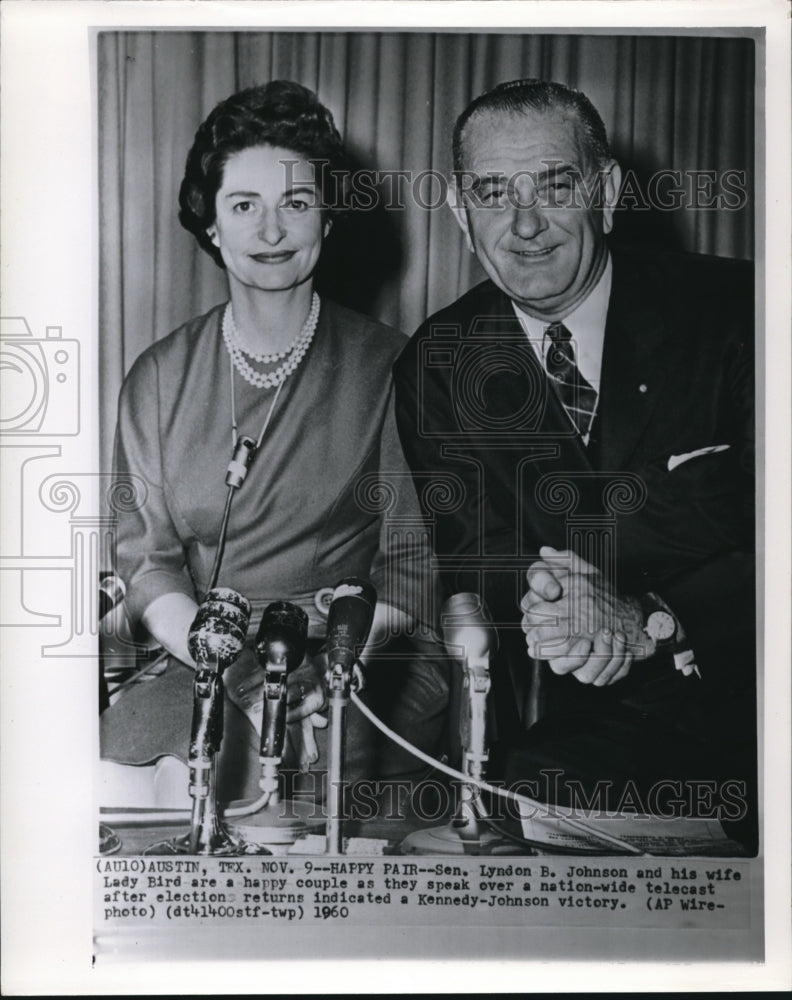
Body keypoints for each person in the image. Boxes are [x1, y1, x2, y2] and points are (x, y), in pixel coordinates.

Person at [392, 79, 756, 851]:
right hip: (609, 712)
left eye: (555, 187)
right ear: (461, 214)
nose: (525, 225)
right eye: (494, 194)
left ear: (608, 191)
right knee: (498, 817)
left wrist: (653, 616)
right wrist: (587, 605)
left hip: (763, 679)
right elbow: (482, 564)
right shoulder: (439, 360)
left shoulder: (744, 309)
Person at [100, 81, 448, 807]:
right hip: (204, 653)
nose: (270, 231)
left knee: (280, 781)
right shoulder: (160, 376)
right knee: (129, 770)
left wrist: (318, 675)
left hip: (354, 658)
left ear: (327, 219)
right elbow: (147, 563)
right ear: (212, 225)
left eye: (295, 203)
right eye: (243, 206)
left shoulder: (395, 368)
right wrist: (227, 663)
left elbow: (412, 569)